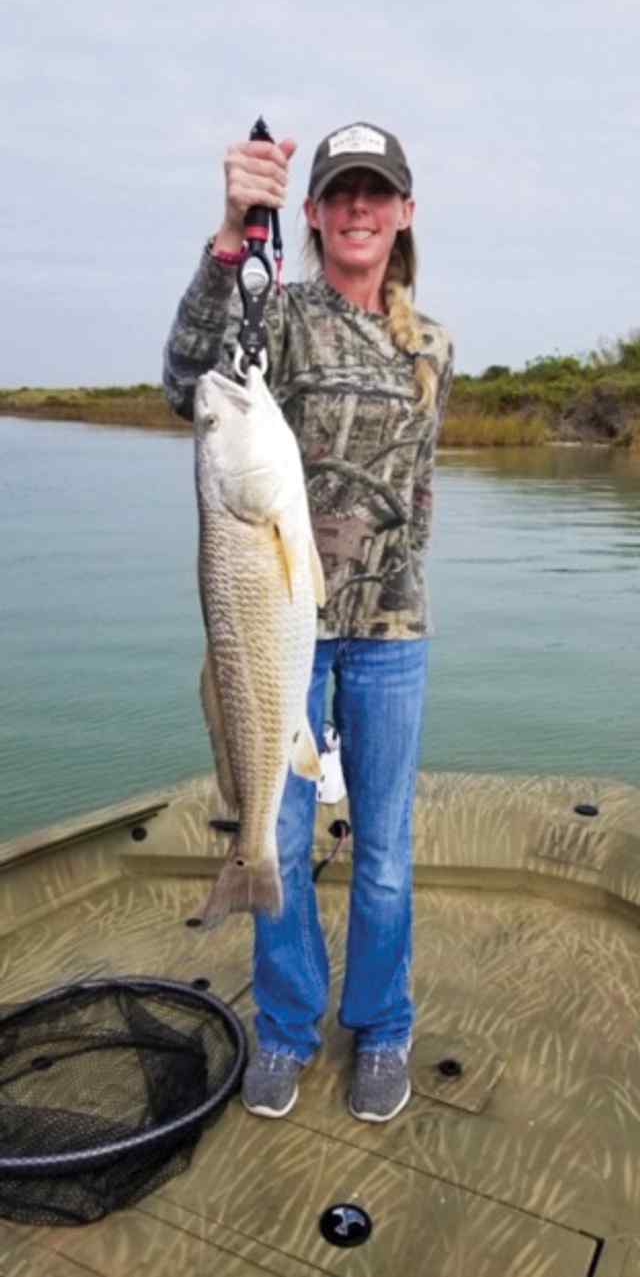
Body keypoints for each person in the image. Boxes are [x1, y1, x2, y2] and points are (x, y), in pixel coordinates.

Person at [163, 121, 454, 1123]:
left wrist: (397, 583)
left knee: (382, 846)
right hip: (280, 630)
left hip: (389, 635)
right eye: (340, 194)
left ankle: (380, 1022)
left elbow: (419, 493)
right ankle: (286, 1024)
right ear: (317, 214)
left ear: (403, 212)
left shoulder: (433, 345)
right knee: (276, 827)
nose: (359, 209)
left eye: (377, 193)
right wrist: (230, 232)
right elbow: (184, 379)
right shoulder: (276, 317)